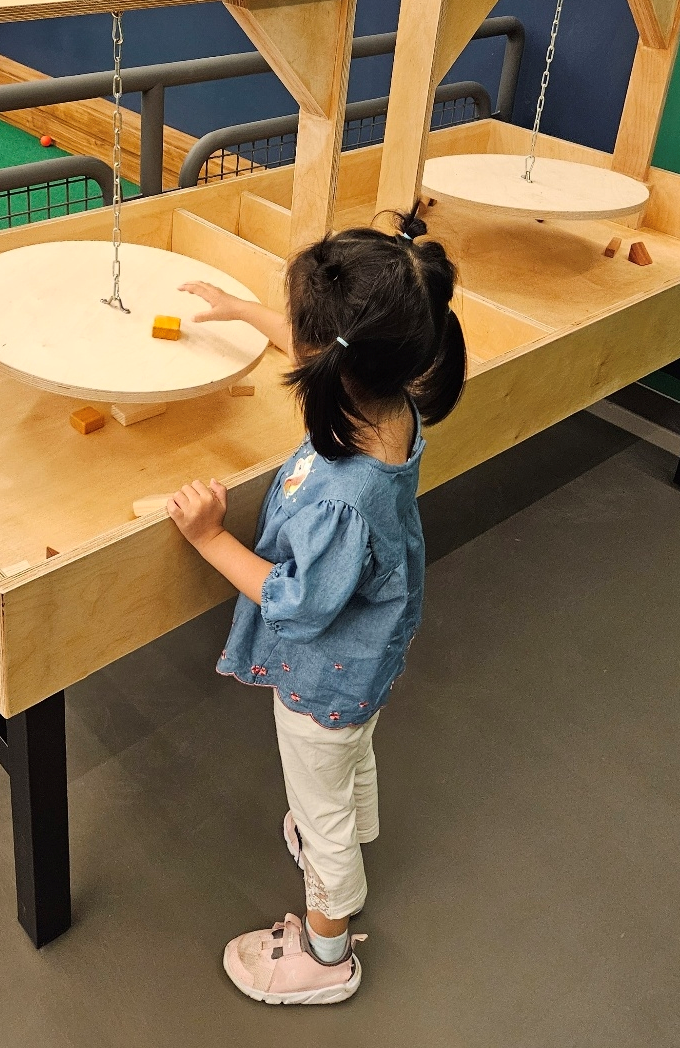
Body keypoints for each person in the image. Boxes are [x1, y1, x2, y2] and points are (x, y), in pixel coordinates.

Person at [167, 213, 466, 1006]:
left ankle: (325, 952)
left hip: (324, 673)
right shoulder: (392, 400)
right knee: (348, 757)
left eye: (295, 328)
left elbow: (295, 605)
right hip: (365, 657)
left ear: (326, 359)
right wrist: (241, 311)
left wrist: (209, 537)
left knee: (320, 801)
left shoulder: (344, 496)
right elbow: (325, 348)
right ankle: (346, 827)